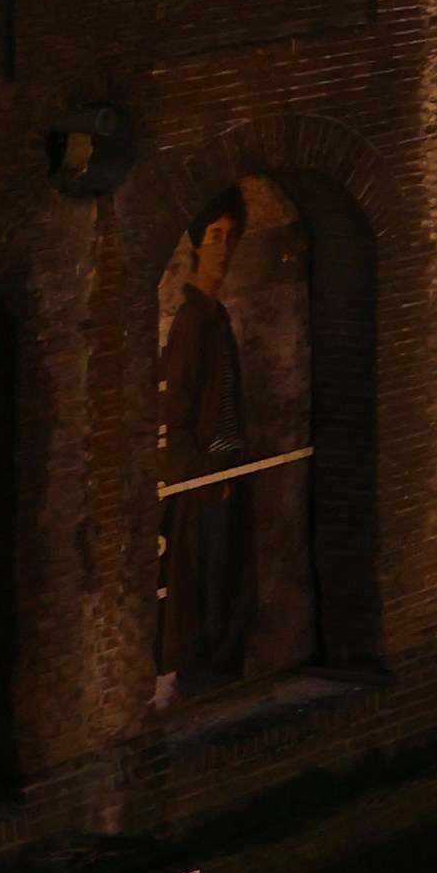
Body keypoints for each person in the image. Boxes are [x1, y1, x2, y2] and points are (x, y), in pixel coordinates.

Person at [159, 199, 252, 692]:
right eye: (214, 237)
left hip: (229, 473)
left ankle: (220, 678)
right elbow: (173, 422)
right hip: (209, 482)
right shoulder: (193, 324)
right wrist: (204, 484)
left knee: (231, 586)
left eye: (230, 237)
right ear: (196, 246)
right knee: (210, 593)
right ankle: (205, 682)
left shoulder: (216, 318)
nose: (223, 250)